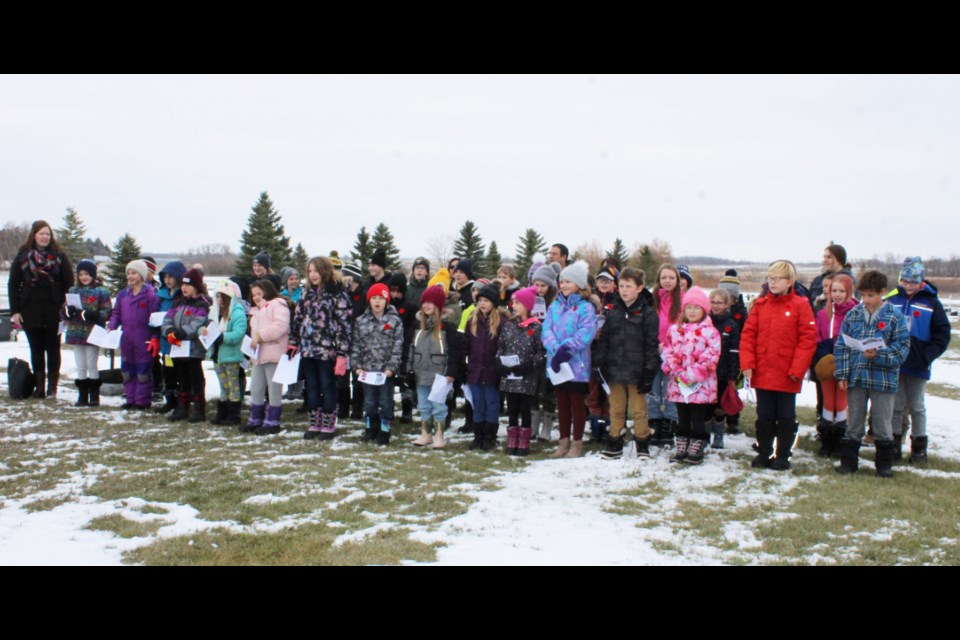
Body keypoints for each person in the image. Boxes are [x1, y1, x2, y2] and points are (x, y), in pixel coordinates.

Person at [739, 260, 817, 471]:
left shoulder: (801, 306)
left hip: (787, 373)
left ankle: (783, 454)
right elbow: (748, 335)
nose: (772, 282)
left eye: (777, 278)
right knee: (764, 416)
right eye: (770, 278)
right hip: (763, 370)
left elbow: (807, 339)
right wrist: (747, 362)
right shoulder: (760, 306)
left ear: (789, 281)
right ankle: (764, 452)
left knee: (785, 416)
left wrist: (797, 369)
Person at [834, 271, 910, 478]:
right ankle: (848, 463)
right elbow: (842, 346)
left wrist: (879, 355)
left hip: (883, 380)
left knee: (882, 422)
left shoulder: (895, 316)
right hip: (857, 377)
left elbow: (903, 348)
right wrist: (842, 373)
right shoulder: (854, 314)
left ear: (882, 293)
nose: (866, 300)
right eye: (863, 295)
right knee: (854, 421)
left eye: (870, 295)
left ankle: (884, 465)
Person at [886, 257, 952, 463]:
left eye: (913, 282)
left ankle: (918, 448)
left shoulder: (931, 302)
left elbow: (943, 333)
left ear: (921, 281)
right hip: (895, 362)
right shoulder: (892, 299)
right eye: (905, 282)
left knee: (916, 406)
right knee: (895, 406)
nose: (908, 286)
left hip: (918, 363)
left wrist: (928, 355)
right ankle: (894, 444)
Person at [594, 267, 659, 460]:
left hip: (637, 371)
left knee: (639, 411)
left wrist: (649, 371)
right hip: (614, 370)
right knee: (616, 409)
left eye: (628, 286)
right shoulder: (613, 310)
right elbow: (604, 339)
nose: (624, 290)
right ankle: (615, 442)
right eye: (621, 286)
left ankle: (642, 443)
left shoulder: (647, 313)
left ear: (639, 288)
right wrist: (599, 363)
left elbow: (651, 344)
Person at [8, 221, 74, 399]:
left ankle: (52, 387)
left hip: (54, 309)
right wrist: (15, 311)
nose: (45, 237)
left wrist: (67, 307)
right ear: (34, 235)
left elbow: (69, 283)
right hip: (30, 310)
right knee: (36, 349)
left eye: (48, 234)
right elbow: (13, 284)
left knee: (53, 349)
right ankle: (39, 386)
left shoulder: (59, 256)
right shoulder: (23, 256)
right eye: (42, 234)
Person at [290, 257, 353, 440]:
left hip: (327, 350)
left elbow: (345, 324)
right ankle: (314, 422)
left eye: (316, 271)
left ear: (325, 271)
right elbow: (298, 318)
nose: (312, 275)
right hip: (308, 349)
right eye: (309, 271)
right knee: (311, 386)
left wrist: (342, 353)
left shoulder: (337, 293)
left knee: (327, 385)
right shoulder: (306, 293)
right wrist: (294, 341)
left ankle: (328, 423)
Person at [542, 262, 598, 458]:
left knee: (576, 405)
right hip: (557, 363)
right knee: (562, 404)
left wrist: (567, 348)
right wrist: (556, 348)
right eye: (562, 281)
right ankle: (563, 441)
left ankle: (577, 443)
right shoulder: (555, 305)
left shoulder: (585, 307)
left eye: (569, 282)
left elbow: (586, 332)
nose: (564, 285)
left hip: (576, 365)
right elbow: (546, 329)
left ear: (579, 284)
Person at [661, 287, 721, 465]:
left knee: (697, 417)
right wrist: (676, 370)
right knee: (682, 416)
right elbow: (667, 351)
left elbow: (711, 356)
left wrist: (693, 374)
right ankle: (682, 444)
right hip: (679, 383)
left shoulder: (711, 332)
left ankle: (696, 446)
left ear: (704, 310)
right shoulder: (674, 330)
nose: (692, 311)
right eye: (689, 307)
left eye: (696, 307)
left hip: (700, 385)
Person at [351, 283, 405, 446]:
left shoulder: (394, 321)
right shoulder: (361, 321)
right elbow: (356, 344)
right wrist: (356, 365)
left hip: (385, 371)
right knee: (370, 401)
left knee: (385, 400)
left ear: (387, 301)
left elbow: (398, 345)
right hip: (367, 370)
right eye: (374, 298)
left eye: (381, 298)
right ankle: (370, 427)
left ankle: (384, 429)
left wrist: (391, 367)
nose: (377, 301)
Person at [409, 284, 460, 449]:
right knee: (423, 404)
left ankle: (439, 434)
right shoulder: (417, 326)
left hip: (440, 374)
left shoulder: (447, 328)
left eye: (430, 302)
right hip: (420, 372)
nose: (426, 305)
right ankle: (426, 433)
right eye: (424, 302)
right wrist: (409, 368)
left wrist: (451, 372)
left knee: (438, 405)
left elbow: (454, 352)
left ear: (438, 304)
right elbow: (410, 348)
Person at [497, 286, 546, 456]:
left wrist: (530, 365)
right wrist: (500, 363)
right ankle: (512, 437)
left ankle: (524, 439)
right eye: (513, 302)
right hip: (509, 375)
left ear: (527, 306)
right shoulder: (508, 326)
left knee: (525, 408)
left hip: (526, 376)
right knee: (511, 407)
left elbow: (541, 352)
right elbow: (501, 346)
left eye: (518, 302)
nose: (514, 305)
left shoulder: (536, 327)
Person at [812, 274, 857, 456]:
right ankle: (826, 439)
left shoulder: (855, 313)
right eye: (834, 291)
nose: (837, 295)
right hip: (827, 363)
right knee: (828, 401)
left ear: (849, 292)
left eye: (841, 291)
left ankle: (840, 438)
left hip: (847, 364)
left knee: (841, 402)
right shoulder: (824, 313)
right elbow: (817, 336)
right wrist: (824, 352)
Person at [108, 260, 160, 410]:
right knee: (127, 370)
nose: (130, 276)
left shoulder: (150, 295)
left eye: (134, 273)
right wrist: (112, 325)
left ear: (142, 275)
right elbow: (116, 312)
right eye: (128, 273)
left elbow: (155, 318)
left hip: (143, 338)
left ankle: (142, 401)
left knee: (142, 370)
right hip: (127, 338)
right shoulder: (123, 294)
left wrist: (154, 337)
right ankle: (130, 398)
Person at [161, 268, 211, 423]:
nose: (184, 288)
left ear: (196, 287)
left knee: (195, 379)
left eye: (188, 285)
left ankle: (198, 409)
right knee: (182, 379)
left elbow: (198, 324)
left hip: (193, 350)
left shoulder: (201, 305)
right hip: (178, 349)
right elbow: (167, 320)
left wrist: (182, 333)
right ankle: (183, 407)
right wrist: (169, 331)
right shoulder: (177, 303)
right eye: (183, 285)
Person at [463, 283, 507, 451]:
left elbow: (503, 347)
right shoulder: (472, 321)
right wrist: (465, 365)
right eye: (480, 300)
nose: (482, 303)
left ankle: (490, 436)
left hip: (492, 372)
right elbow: (465, 345)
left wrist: (500, 366)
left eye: (486, 300)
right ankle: (478, 436)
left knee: (492, 404)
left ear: (493, 303)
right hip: (474, 371)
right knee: (477, 404)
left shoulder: (501, 323)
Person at [245, 279, 292, 435]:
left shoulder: (277, 305)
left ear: (268, 291)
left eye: (259, 293)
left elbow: (280, 326)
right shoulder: (256, 311)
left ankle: (273, 420)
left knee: (274, 389)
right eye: (254, 295)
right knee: (256, 387)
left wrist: (260, 336)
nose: (256, 297)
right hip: (258, 356)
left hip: (274, 354)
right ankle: (255, 418)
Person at [63, 259, 112, 407]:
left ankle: (94, 396)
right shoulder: (73, 290)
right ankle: (82, 395)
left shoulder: (101, 292)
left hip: (92, 333)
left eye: (87, 274)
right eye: (81, 274)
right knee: (80, 364)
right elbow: (63, 310)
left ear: (93, 275)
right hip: (76, 332)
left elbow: (107, 311)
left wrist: (94, 315)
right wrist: (67, 312)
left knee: (92, 363)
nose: (84, 277)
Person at [649, 264, 683, 448]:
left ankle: (669, 424)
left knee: (670, 390)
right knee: (654, 389)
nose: (667, 281)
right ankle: (654, 424)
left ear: (677, 280)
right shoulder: (653, 299)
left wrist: (669, 346)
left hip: (673, 352)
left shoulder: (682, 301)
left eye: (671, 277)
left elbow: (683, 328)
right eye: (664, 278)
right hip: (655, 350)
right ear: (659, 280)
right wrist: (655, 345)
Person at [206, 281, 248, 427]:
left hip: (231, 356)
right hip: (217, 356)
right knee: (223, 385)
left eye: (221, 297)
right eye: (217, 296)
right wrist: (203, 332)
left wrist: (222, 336)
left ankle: (234, 414)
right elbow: (207, 326)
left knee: (233, 385)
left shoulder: (237, 313)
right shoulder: (215, 313)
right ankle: (222, 412)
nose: (218, 300)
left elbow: (238, 334)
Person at [706, 289, 741, 449]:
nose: (716, 306)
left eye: (719, 303)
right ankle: (705, 434)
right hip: (706, 372)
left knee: (719, 406)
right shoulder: (705, 321)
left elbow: (734, 352)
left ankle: (719, 436)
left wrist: (732, 376)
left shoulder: (731, 325)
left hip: (722, 372)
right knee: (706, 406)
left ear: (727, 304)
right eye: (713, 302)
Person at [154, 261, 187, 415]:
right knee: (168, 371)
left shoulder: (183, 295)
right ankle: (170, 401)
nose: (168, 280)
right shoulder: (161, 296)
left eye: (171, 277)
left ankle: (182, 402)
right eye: (165, 276)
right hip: (165, 341)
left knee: (181, 372)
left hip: (179, 341)